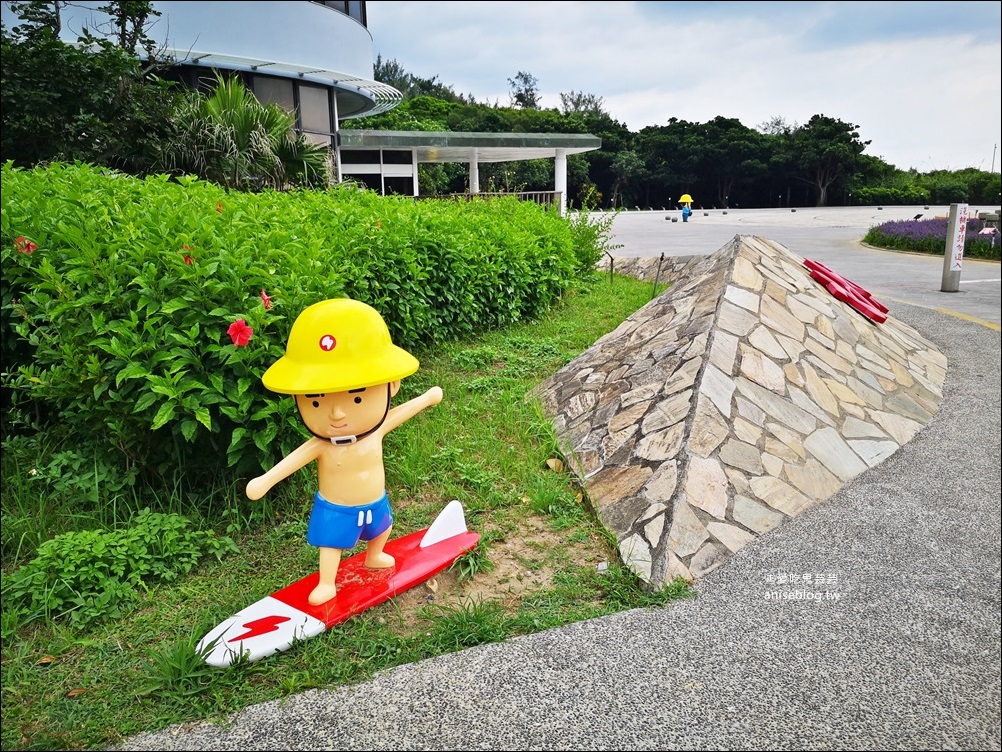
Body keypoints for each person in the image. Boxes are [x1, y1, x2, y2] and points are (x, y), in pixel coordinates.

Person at [245, 298, 443, 606]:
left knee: (383, 525)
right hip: (336, 507)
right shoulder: (321, 445)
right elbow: (293, 461)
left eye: (357, 399)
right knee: (331, 542)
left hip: (375, 499)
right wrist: (266, 480)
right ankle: (327, 581)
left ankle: (375, 554)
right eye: (315, 402)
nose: (337, 413)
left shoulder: (376, 429)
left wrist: (427, 398)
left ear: (392, 386)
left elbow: (403, 411)